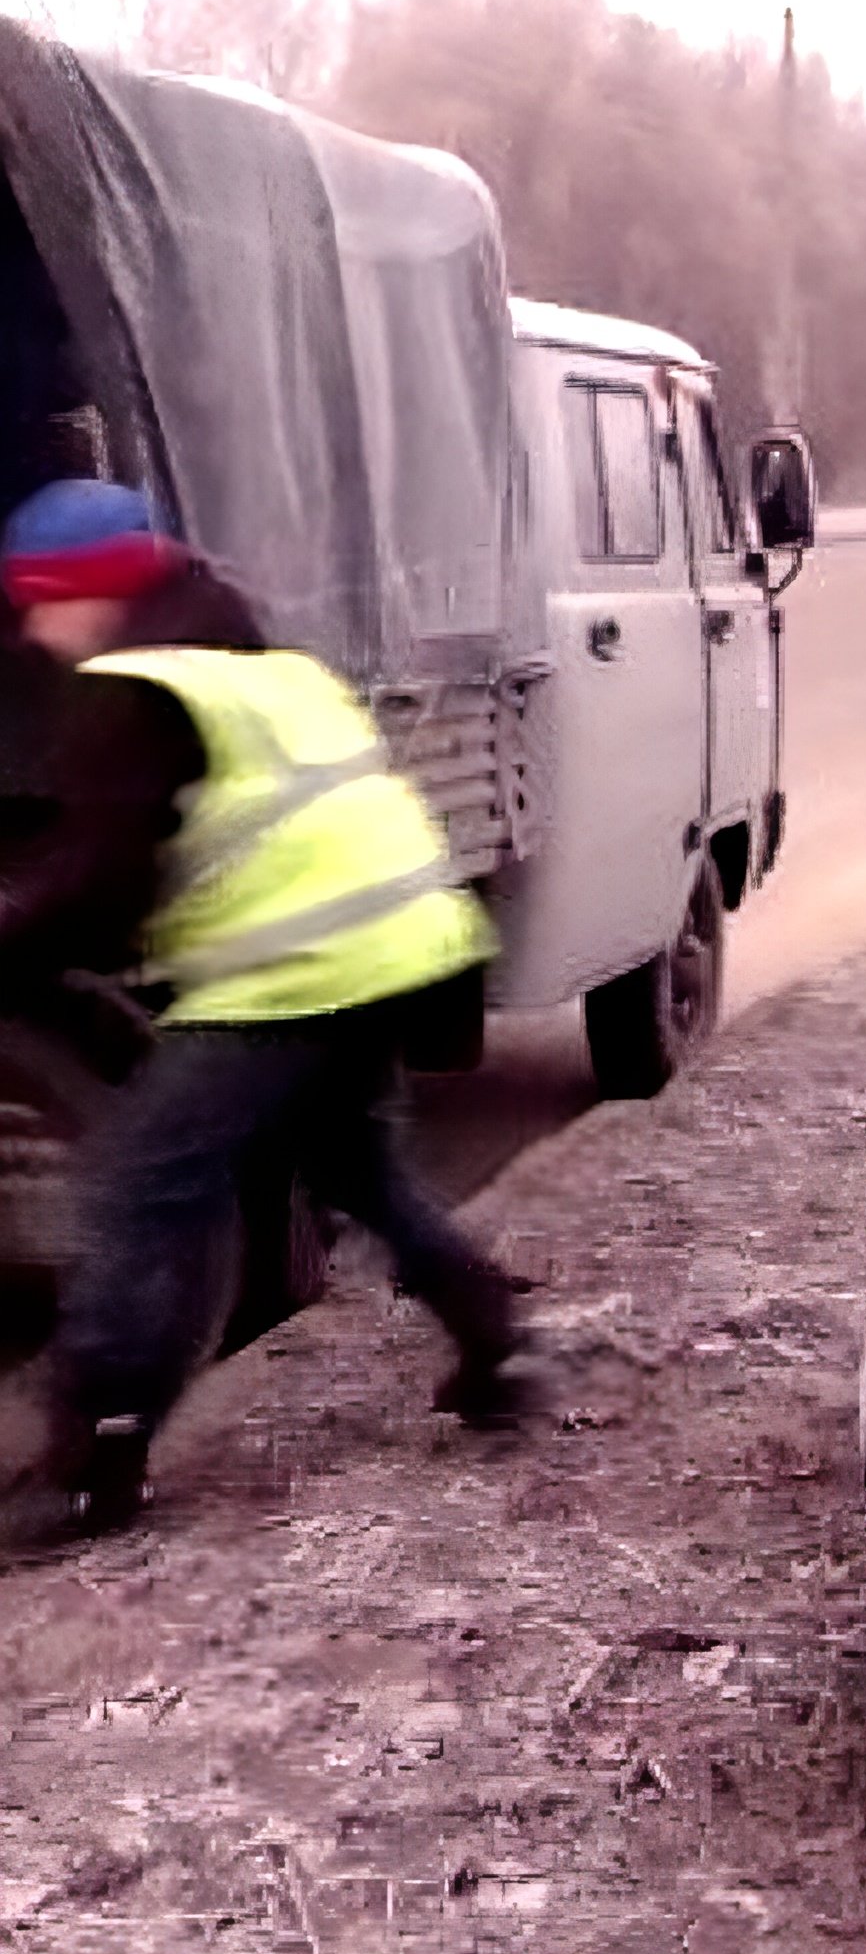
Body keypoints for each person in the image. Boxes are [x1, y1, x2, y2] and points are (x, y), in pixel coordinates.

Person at [0, 478, 523, 1530]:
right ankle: (499, 1341)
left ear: (84, 593)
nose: (33, 630)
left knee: (140, 1189)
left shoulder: (133, 688)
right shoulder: (265, 665)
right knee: (363, 1176)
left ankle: (93, 1459)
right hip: (396, 947)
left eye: (39, 604)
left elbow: (105, 883)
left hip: (295, 970)